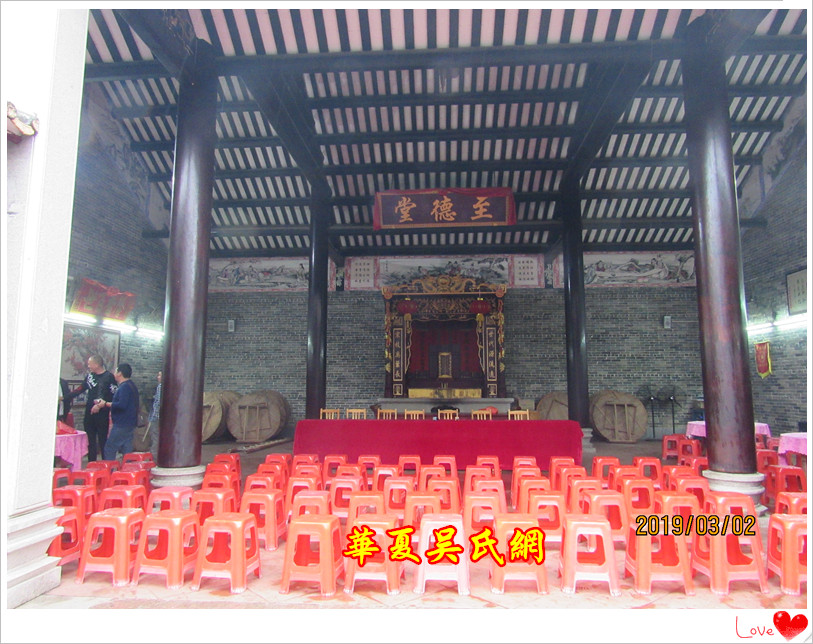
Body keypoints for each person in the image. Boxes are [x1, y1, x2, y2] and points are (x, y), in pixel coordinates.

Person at [71, 355, 116, 461]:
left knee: (102, 440)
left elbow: (113, 394)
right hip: (89, 412)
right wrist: (66, 397)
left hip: (102, 413)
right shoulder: (90, 376)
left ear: (96, 364)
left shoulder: (109, 377)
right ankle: (91, 463)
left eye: (89, 364)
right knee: (90, 440)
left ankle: (105, 464)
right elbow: (80, 389)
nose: (88, 366)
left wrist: (100, 405)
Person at [101, 363, 140, 460]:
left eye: (115, 371)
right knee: (127, 448)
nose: (114, 373)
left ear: (120, 373)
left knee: (110, 447)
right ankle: (127, 468)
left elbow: (122, 405)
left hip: (122, 423)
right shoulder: (132, 385)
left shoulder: (124, 387)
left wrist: (106, 403)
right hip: (130, 422)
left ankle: (109, 468)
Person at [147, 370, 162, 460]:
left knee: (155, 438)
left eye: (160, 375)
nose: (158, 377)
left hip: (157, 417)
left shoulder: (160, 387)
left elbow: (158, 403)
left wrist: (153, 417)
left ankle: (154, 459)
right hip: (164, 418)